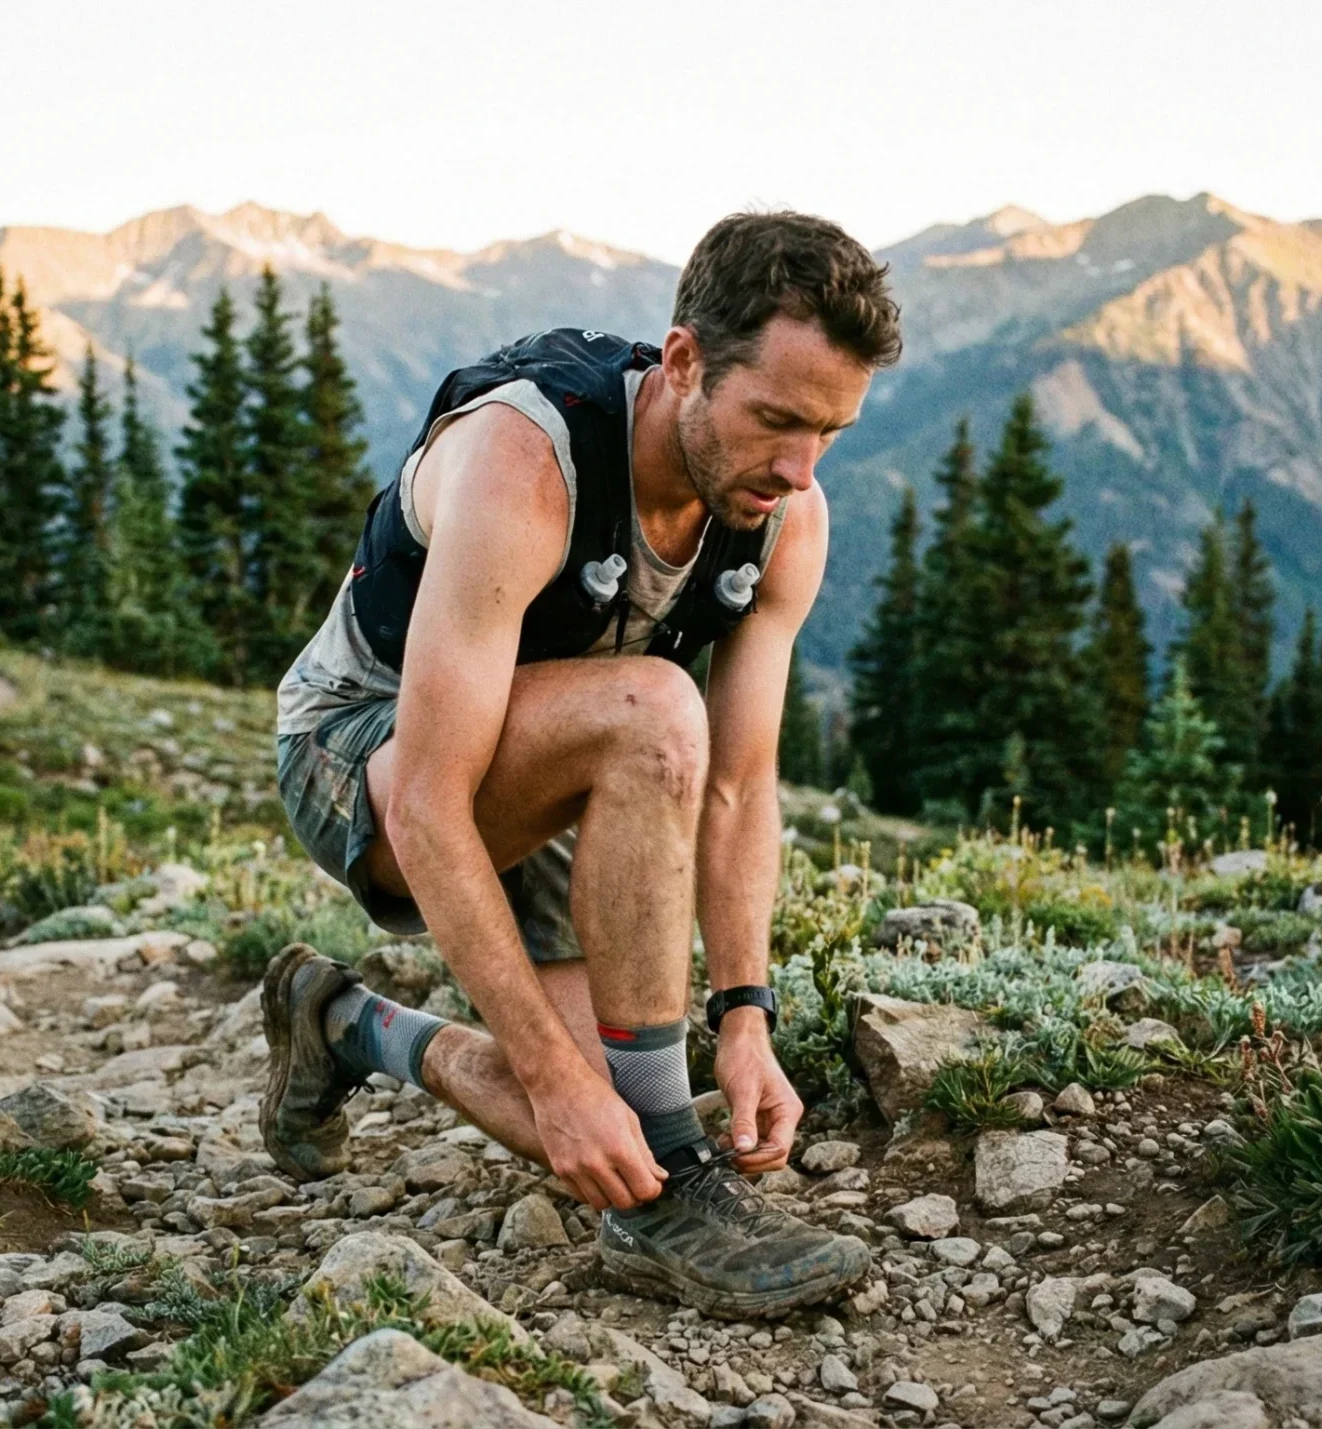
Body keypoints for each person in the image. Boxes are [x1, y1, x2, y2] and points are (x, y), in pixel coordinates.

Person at [263, 210, 902, 1317]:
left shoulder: (784, 512)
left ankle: (338, 1021)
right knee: (655, 710)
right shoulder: (523, 459)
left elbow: (741, 785)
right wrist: (554, 1083)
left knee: (622, 1116)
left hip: (560, 752)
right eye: (777, 421)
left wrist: (745, 1015)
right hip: (362, 749)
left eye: (830, 434)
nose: (799, 470)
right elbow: (424, 800)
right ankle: (672, 1215)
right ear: (686, 362)